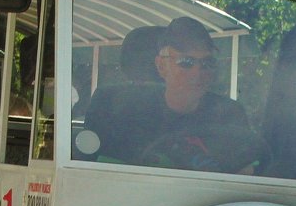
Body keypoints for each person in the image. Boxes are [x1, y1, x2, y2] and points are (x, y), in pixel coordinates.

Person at [80, 17, 259, 171]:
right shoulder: (118, 111)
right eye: (186, 62)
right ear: (161, 65)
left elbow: (245, 180)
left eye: (207, 63)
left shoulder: (230, 115)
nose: (197, 72)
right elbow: (100, 177)